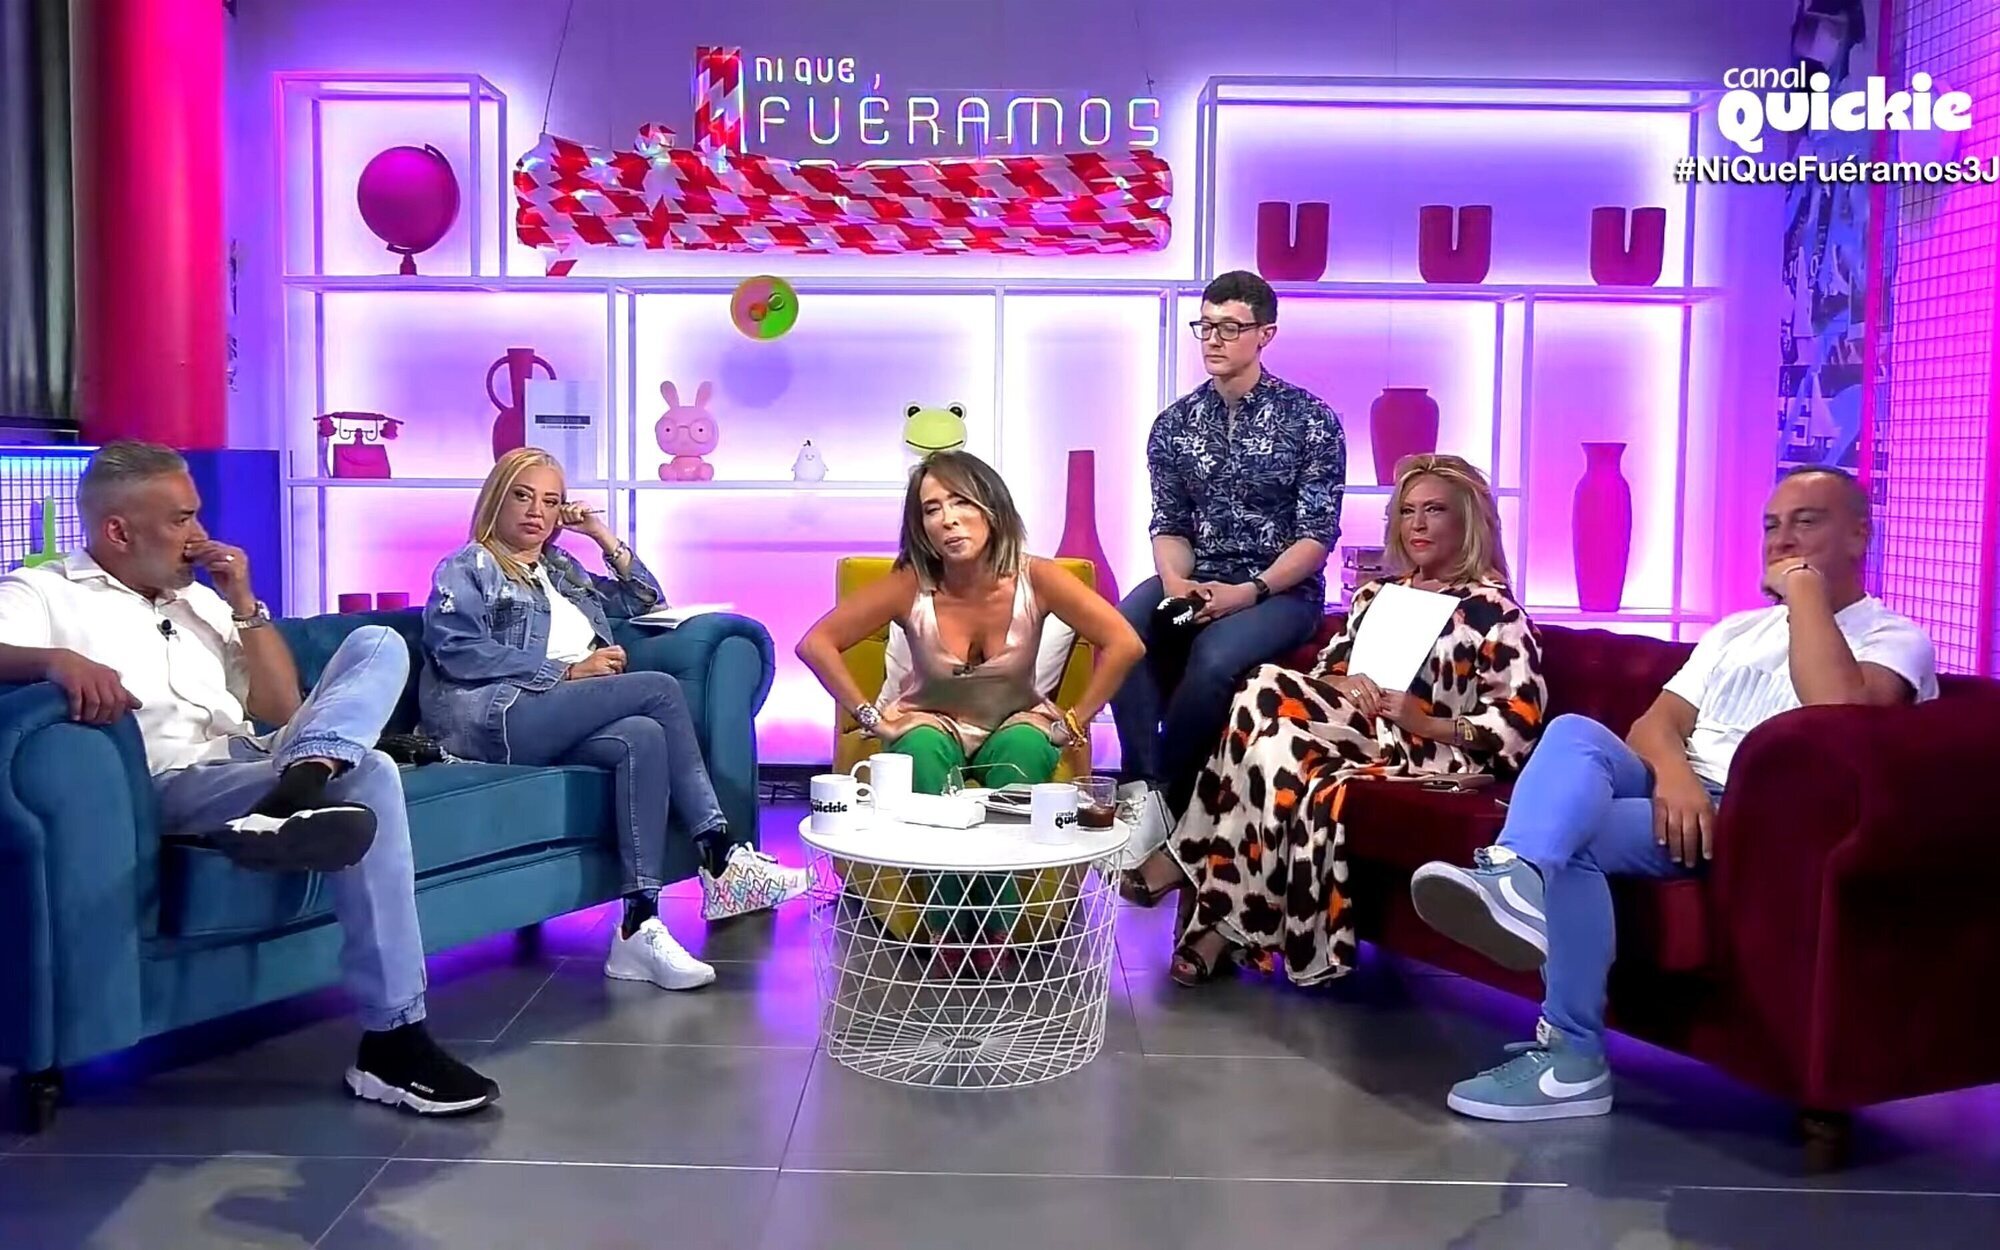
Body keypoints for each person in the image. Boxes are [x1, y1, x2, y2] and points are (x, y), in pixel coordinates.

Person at [1410, 466, 1937, 1122]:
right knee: (1574, 734)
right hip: (1677, 787)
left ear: (1859, 535)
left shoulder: (1894, 638)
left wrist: (1804, 590)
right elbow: (1652, 726)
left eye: (1805, 522)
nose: (1781, 540)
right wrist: (1676, 780)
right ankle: (1516, 877)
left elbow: (1838, 714)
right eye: (1771, 525)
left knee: (1576, 838)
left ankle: (1572, 1057)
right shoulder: (1735, 632)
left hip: (1751, 815)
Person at [0, 442, 497, 1116]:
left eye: (196, 514)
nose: (199, 535)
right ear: (118, 531)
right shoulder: (46, 593)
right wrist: (55, 661)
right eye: (181, 519)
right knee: (374, 769)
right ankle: (395, 1037)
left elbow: (280, 708)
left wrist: (243, 602)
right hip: (175, 782)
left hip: (258, 756)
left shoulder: (202, 604)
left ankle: (298, 785)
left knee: (378, 643)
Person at [1124, 455, 1546, 987]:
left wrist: (1427, 720)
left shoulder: (1496, 613)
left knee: (1265, 693)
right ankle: (1221, 927)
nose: (1417, 524)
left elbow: (1517, 728)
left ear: (1468, 521)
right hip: (1346, 730)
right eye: (1407, 511)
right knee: (1274, 736)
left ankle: (1185, 855)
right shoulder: (1376, 594)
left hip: (1424, 750)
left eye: (1434, 511)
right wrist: (1344, 684)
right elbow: (1326, 671)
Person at [421, 448, 808, 994]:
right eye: (523, 497)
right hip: (499, 716)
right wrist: (566, 671)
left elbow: (646, 600)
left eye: (550, 502)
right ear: (496, 500)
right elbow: (456, 648)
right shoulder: (470, 566)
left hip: (557, 714)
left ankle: (637, 926)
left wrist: (600, 535)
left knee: (641, 736)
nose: (536, 512)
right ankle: (721, 855)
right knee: (658, 689)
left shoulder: (559, 570)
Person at [795, 451, 1145, 945]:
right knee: (918, 750)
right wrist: (874, 719)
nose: (948, 519)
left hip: (1014, 719)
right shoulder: (910, 584)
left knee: (1026, 748)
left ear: (992, 507)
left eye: (960, 501)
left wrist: (1073, 720)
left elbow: (1126, 643)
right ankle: (947, 927)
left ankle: (995, 926)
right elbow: (816, 643)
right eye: (931, 509)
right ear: (920, 526)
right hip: (931, 720)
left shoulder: (1038, 577)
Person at [1111, 269, 1347, 853]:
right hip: (1197, 573)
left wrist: (1249, 592)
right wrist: (1176, 583)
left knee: (1214, 657)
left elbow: (1316, 537)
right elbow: (1170, 523)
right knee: (1120, 629)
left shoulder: (1311, 421)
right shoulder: (1175, 424)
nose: (1213, 339)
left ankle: (1172, 795)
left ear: (1266, 334)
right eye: (1206, 326)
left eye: (1230, 327)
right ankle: (1142, 788)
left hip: (1281, 589)